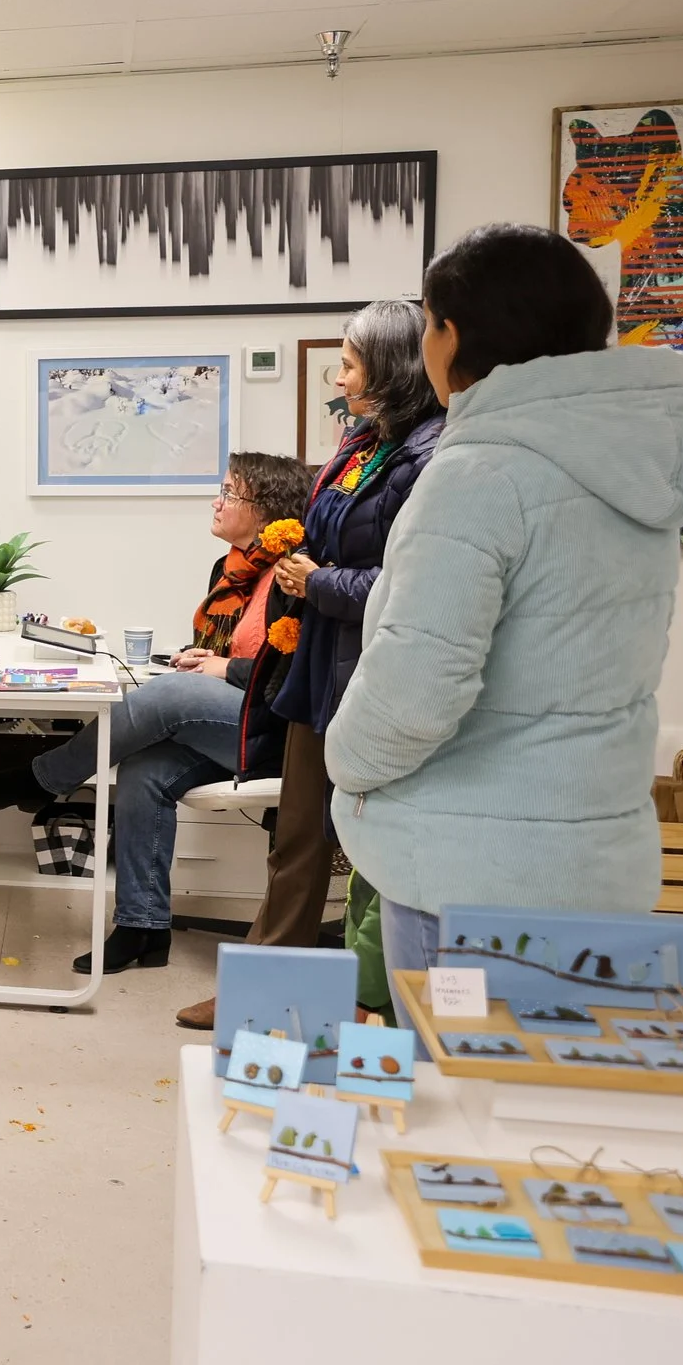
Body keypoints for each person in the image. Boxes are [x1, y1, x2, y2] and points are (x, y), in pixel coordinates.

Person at [327, 224, 683, 983]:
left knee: (452, 1061)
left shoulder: (479, 475)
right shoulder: (631, 468)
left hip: (469, 871)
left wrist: (346, 761)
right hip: (597, 856)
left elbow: (416, 689)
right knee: (552, 1057)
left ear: (451, 335)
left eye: (428, 322)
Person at [176, 302, 446, 1031]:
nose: (340, 378)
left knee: (372, 853)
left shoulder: (431, 456)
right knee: (297, 839)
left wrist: (319, 583)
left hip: (376, 679)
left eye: (350, 365)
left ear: (390, 369)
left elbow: (413, 585)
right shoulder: (361, 444)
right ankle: (262, 990)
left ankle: (370, 1004)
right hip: (318, 668)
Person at [0, 452, 313, 972]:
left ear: (265, 509)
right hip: (234, 719)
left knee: (167, 696)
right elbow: (230, 652)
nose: (216, 502)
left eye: (229, 493)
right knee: (143, 770)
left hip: (278, 731)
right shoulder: (230, 570)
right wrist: (203, 657)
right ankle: (142, 929)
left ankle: (41, 779)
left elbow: (294, 672)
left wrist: (226, 669)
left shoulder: (292, 575)